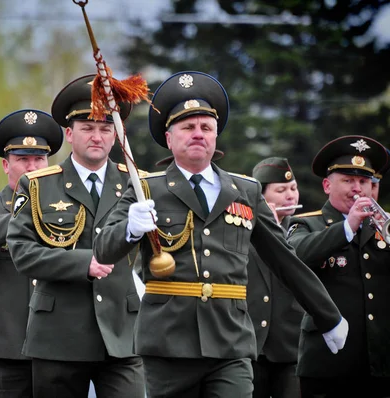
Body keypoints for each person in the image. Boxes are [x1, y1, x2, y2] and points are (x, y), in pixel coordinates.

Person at [92, 71, 348, 398]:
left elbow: (285, 261)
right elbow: (103, 250)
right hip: (168, 344)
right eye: (187, 127)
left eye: (206, 127)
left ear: (215, 137)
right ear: (169, 138)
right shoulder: (144, 189)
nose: (198, 134)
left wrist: (327, 315)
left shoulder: (245, 191)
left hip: (231, 340)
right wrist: (129, 228)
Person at [6, 75, 145, 398]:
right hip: (59, 335)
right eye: (87, 128)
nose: (97, 136)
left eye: (105, 128)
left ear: (116, 135)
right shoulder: (39, 185)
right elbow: (22, 252)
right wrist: (85, 263)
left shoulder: (138, 184)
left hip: (123, 335)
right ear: (69, 134)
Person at [0, 109, 63, 398]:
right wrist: (23, 212)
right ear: (6, 165)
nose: (31, 167)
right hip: (2, 340)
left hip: (56, 339)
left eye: (39, 159)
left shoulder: (65, 208)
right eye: (22, 159)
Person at [287, 135, 390, 398]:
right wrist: (347, 226)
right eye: (348, 180)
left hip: (380, 364)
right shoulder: (305, 224)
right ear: (326, 185)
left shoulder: (383, 227)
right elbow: (296, 257)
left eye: (364, 181)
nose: (358, 189)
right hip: (328, 366)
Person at [247, 157, 303, 398]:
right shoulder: (242, 229)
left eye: (293, 188)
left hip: (290, 345)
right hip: (251, 345)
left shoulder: (303, 230)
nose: (290, 196)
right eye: (281, 190)